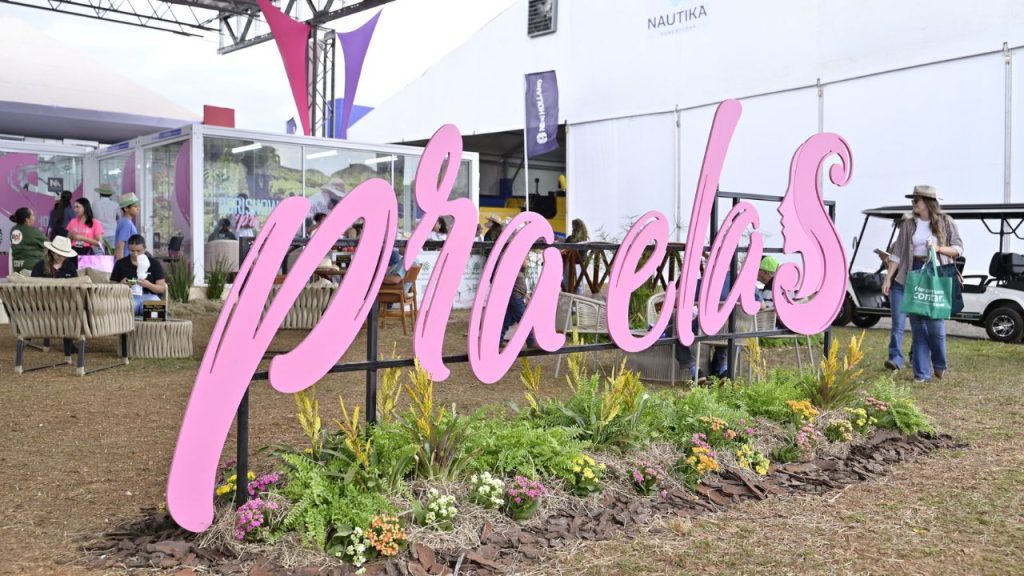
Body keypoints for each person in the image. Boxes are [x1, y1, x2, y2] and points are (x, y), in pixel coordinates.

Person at [881, 185, 963, 382]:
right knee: (917, 327)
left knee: (935, 324)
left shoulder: (946, 222)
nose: (913, 203)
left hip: (935, 274)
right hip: (912, 274)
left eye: (916, 200)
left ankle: (940, 363)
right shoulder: (909, 224)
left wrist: (939, 248)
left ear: (927, 202)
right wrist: (888, 277)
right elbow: (898, 253)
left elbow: (958, 248)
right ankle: (921, 373)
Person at [110, 234, 167, 316]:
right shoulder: (120, 264)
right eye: (132, 251)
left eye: (138, 251)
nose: (135, 254)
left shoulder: (154, 263)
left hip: (150, 296)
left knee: (156, 314)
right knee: (121, 311)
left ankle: (153, 327)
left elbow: (161, 289)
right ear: (128, 249)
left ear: (144, 249)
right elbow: (111, 287)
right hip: (128, 297)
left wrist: (148, 285)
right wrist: (121, 284)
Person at [501, 260, 537, 348]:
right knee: (525, 320)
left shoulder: (519, 272)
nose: (527, 262)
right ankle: (531, 341)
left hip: (517, 298)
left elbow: (519, 287)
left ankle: (498, 340)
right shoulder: (515, 271)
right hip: (516, 299)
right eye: (526, 259)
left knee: (507, 320)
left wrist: (526, 295)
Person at [8, 207, 47, 273]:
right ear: (27, 220)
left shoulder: (13, 230)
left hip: (17, 266)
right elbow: (48, 244)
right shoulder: (33, 231)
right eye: (33, 215)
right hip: (32, 266)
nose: (34, 217)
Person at [562, 218, 590, 293]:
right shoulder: (585, 239)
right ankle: (578, 300)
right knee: (579, 285)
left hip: (570, 263)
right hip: (581, 265)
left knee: (567, 284)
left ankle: (568, 299)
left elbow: (564, 250)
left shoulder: (570, 238)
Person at [93, 184, 119, 250]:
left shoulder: (95, 204)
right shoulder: (115, 204)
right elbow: (118, 217)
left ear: (100, 193)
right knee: (112, 255)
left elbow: (92, 217)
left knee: (100, 256)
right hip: (112, 232)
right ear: (110, 194)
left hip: (98, 233)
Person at [115, 193, 140, 259]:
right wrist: (120, 266)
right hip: (126, 262)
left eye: (138, 206)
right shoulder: (126, 223)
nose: (138, 208)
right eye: (135, 206)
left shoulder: (126, 222)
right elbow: (120, 246)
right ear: (126, 208)